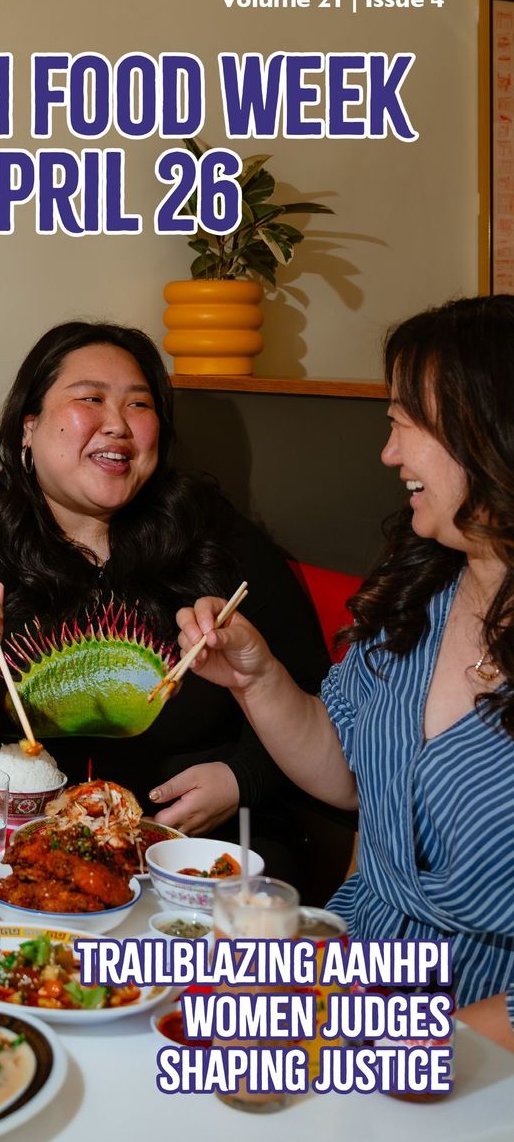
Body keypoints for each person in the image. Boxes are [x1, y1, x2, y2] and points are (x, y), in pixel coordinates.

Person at [175, 295, 514, 1052]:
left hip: (475, 1040)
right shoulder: (422, 592)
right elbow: (349, 774)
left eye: (404, 424)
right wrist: (256, 678)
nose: (389, 454)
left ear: (485, 429)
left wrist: (393, 1043)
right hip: (347, 975)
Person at [0, 321, 329, 869]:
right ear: (29, 426)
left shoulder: (213, 534)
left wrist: (243, 777)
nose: (117, 425)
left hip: (185, 848)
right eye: (90, 398)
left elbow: (312, 688)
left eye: (139, 405)